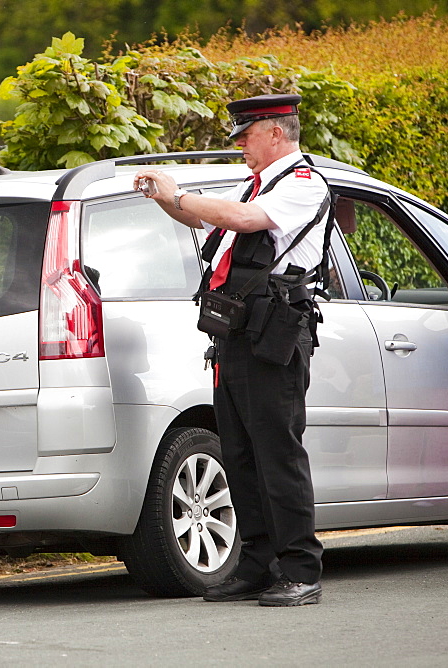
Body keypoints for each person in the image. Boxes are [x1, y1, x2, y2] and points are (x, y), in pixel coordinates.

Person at [134, 93, 327, 607]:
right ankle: (257, 565)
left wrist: (178, 195)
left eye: (247, 134)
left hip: (274, 334)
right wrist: (165, 198)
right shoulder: (255, 184)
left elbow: (242, 221)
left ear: (276, 132)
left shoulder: (303, 184)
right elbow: (207, 222)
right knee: (240, 455)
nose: (240, 144)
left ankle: (301, 570)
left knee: (278, 454)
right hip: (237, 333)